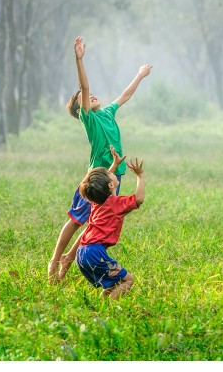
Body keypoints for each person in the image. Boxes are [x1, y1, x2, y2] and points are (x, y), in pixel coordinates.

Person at [47, 35, 152, 282]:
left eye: (91, 95)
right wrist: (79, 59)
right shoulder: (90, 119)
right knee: (75, 220)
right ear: (79, 109)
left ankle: (67, 264)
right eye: (83, 98)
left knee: (96, 222)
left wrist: (140, 75)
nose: (90, 95)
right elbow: (84, 87)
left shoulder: (107, 113)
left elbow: (125, 95)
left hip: (115, 175)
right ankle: (55, 262)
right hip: (96, 178)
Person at [74, 150, 145, 299]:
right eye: (110, 173)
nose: (111, 172)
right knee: (128, 280)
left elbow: (100, 184)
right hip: (94, 253)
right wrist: (140, 176)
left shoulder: (97, 201)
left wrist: (114, 165)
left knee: (114, 283)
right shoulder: (116, 204)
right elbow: (139, 199)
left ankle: (102, 304)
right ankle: (110, 309)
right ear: (111, 184)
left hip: (82, 253)